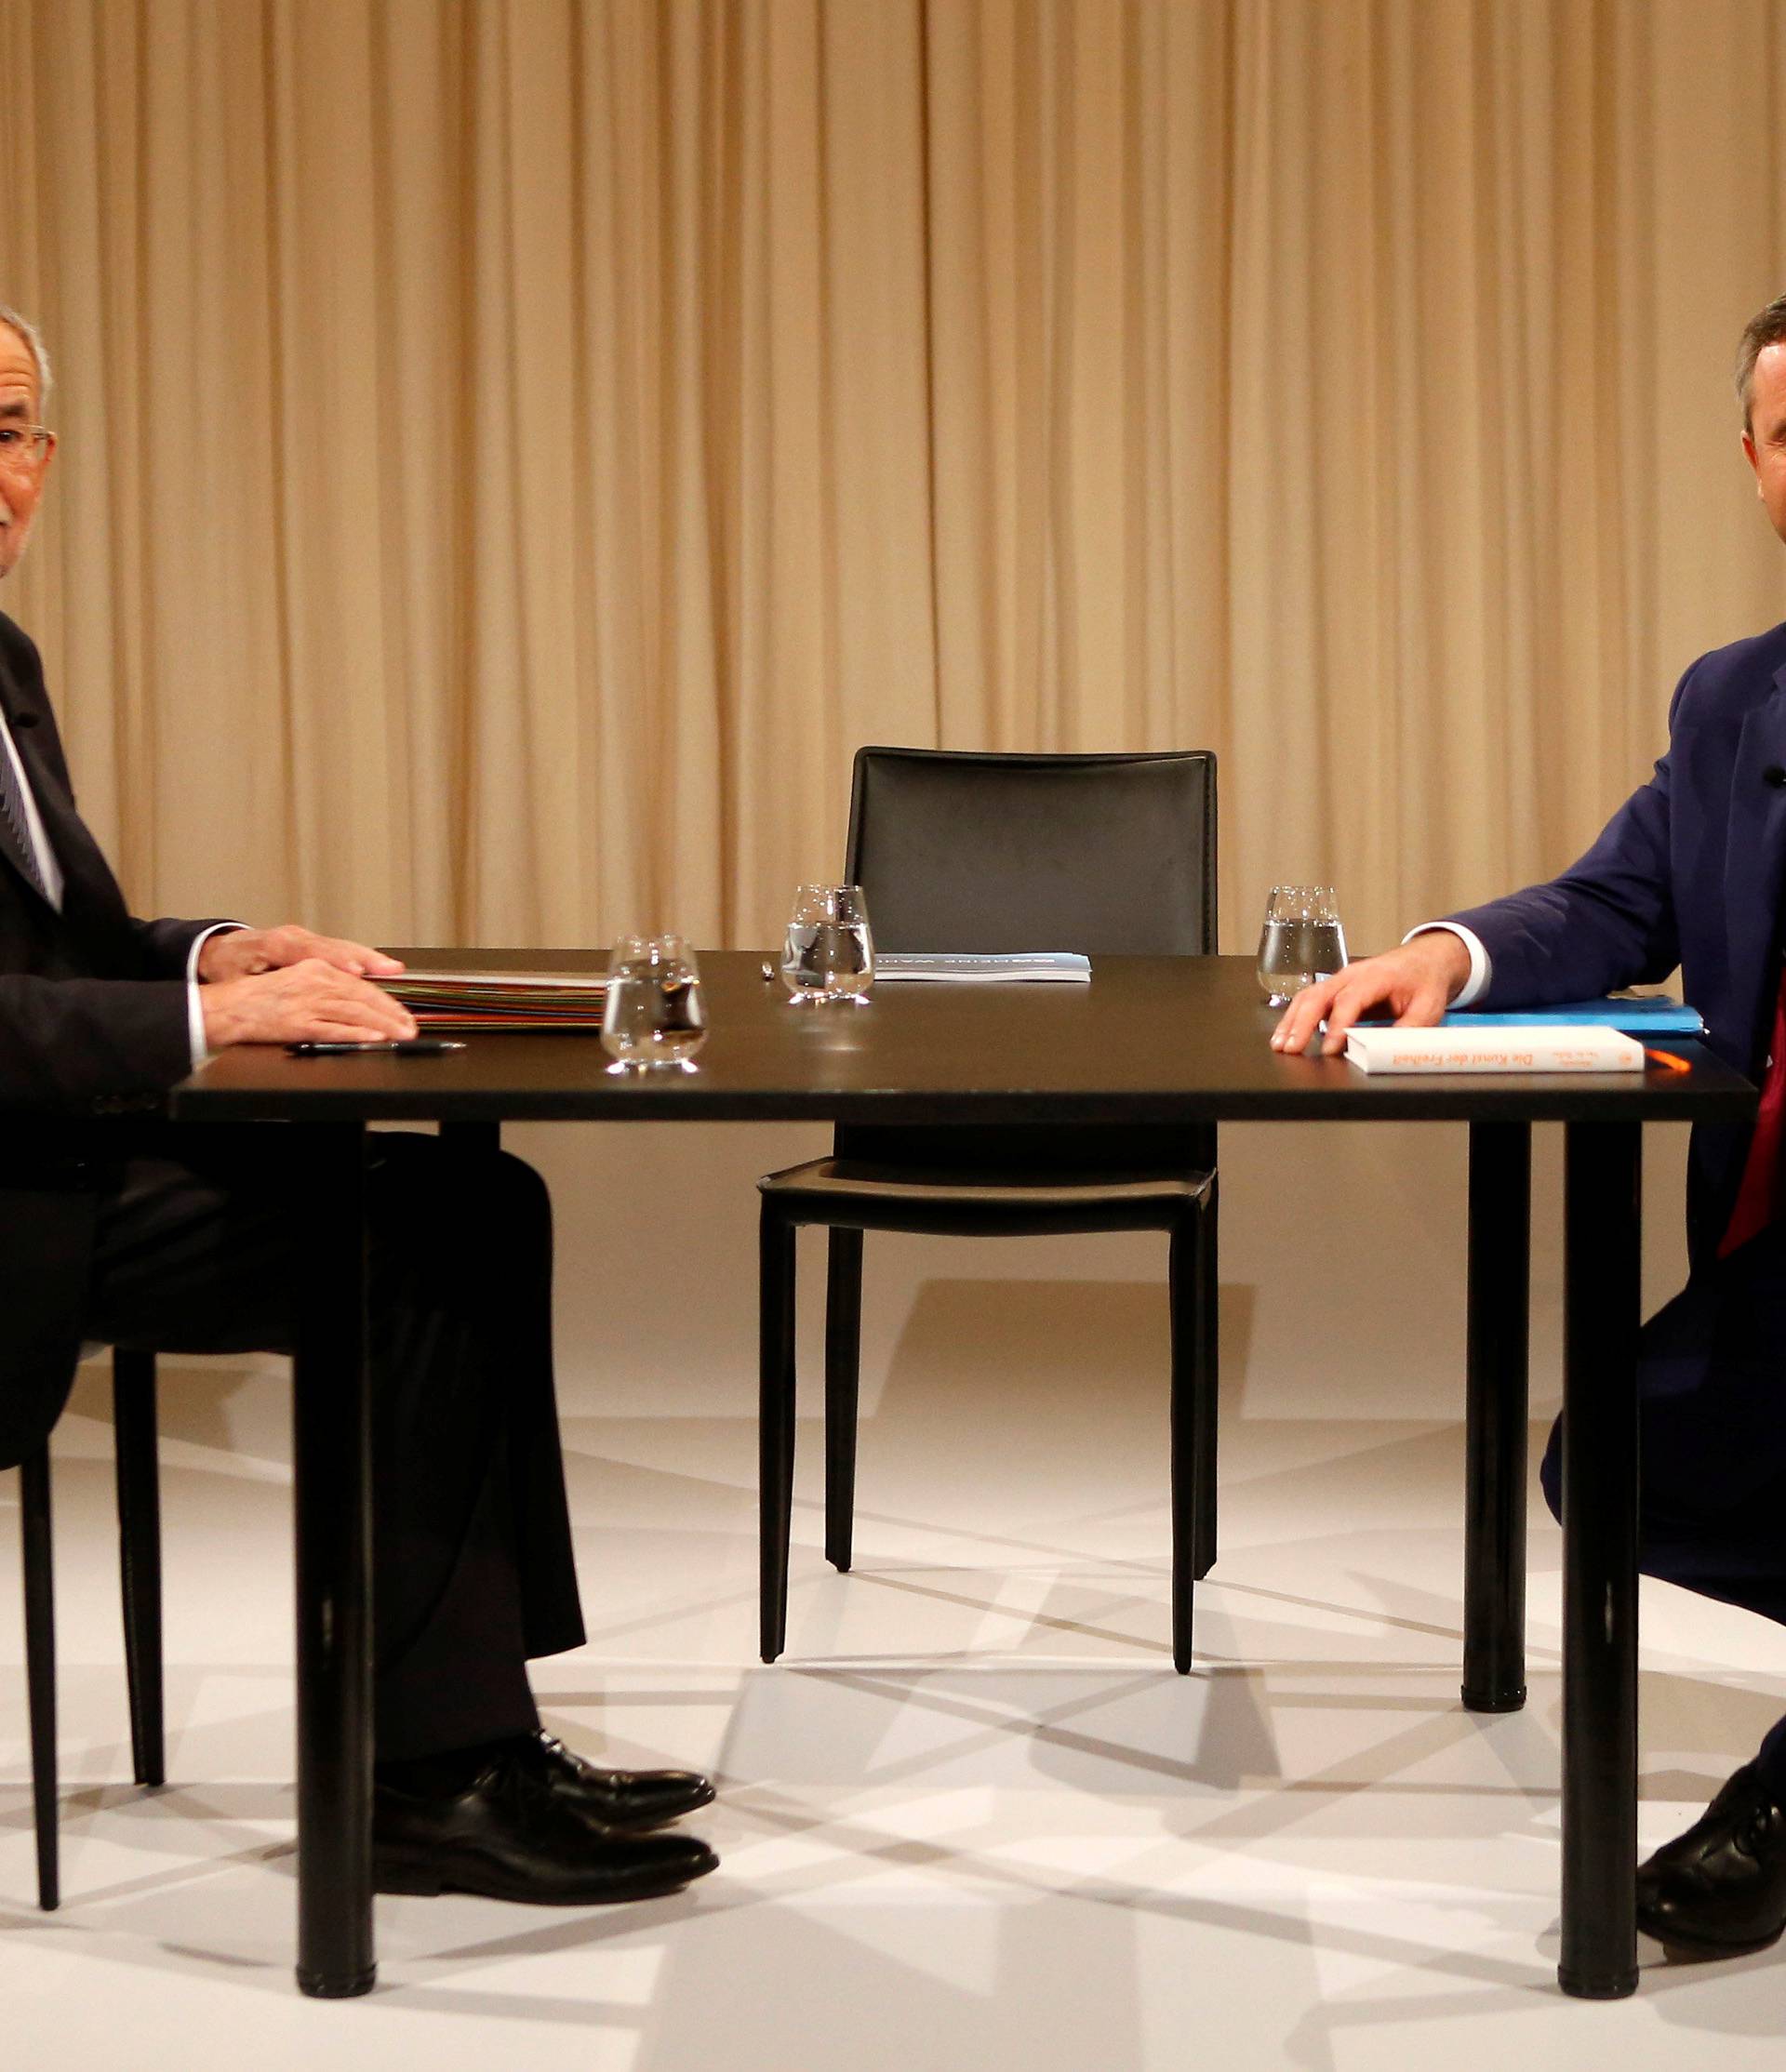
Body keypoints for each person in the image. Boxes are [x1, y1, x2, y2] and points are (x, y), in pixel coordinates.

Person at [0, 305, 718, 1906]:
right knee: (412, 1245)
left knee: (475, 1199)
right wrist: (203, 1020)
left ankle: (468, 1732)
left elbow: (56, 948)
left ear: (42, 462)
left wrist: (219, 949)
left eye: (11, 434)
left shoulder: (3, 660)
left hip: (66, 1144)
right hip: (18, 1199)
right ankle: (433, 1771)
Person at [1271, 289, 1786, 1959]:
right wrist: (1444, 952)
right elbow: (1616, 899)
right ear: (1756, 467)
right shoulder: (1734, 701)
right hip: (1785, 1228)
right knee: (1624, 1456)